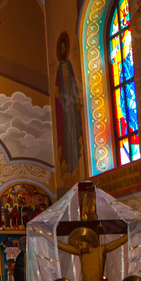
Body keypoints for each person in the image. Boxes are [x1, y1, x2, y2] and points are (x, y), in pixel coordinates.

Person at [55, 32, 85, 178]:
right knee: (68, 134)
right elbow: (57, 88)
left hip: (71, 102)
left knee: (74, 130)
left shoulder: (68, 64)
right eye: (60, 49)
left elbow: (73, 81)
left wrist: (75, 98)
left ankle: (75, 163)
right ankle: (70, 164)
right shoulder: (59, 69)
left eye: (64, 48)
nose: (62, 51)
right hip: (64, 104)